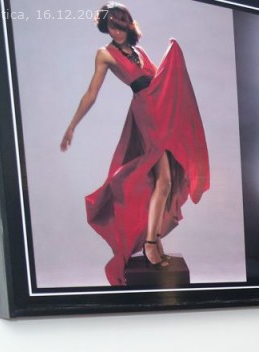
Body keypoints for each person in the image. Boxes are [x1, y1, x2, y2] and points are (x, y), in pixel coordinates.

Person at [61, 3, 209, 286]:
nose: (117, 31)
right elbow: (91, 93)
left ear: (129, 25)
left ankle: (154, 240)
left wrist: (173, 60)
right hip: (145, 116)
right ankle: (150, 244)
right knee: (164, 180)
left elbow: (159, 82)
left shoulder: (139, 51)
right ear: (105, 27)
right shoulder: (105, 54)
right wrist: (72, 125)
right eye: (112, 26)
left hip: (161, 112)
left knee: (165, 182)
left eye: (121, 25)